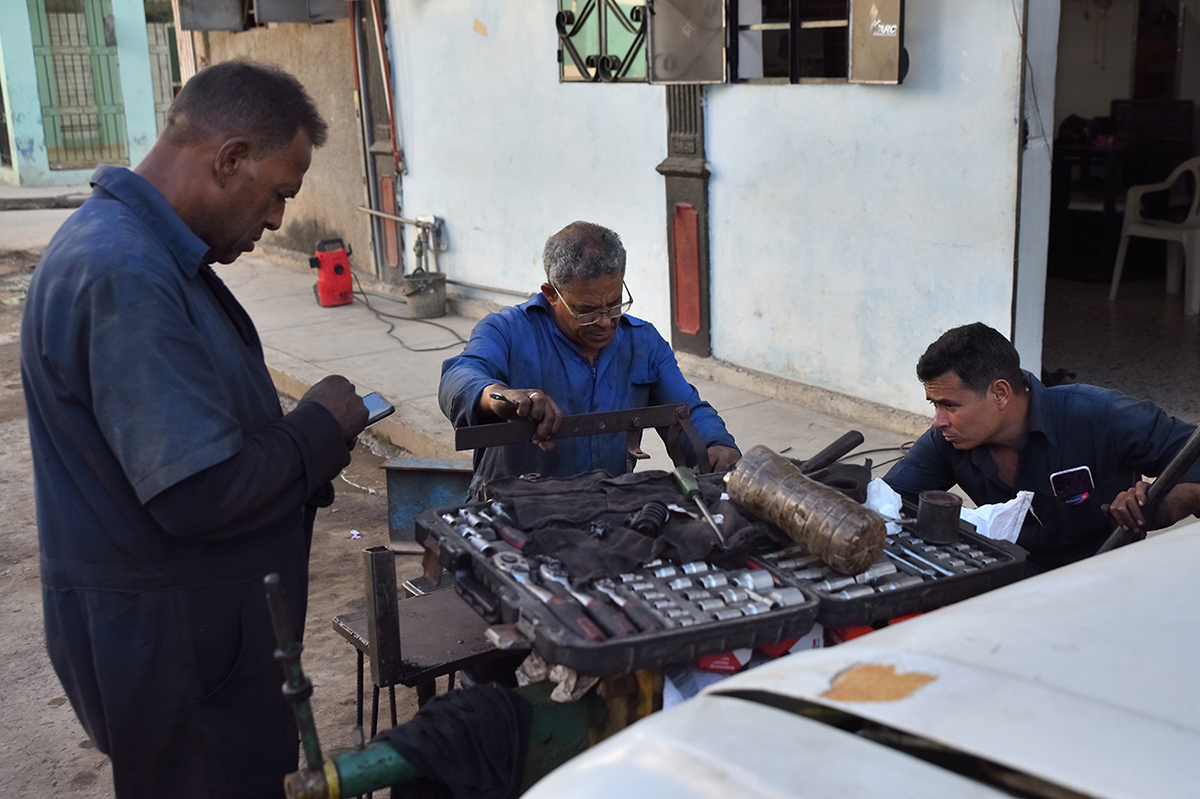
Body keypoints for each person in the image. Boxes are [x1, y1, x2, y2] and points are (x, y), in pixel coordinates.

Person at [20, 61, 369, 799]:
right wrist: (318, 428)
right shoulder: (124, 271)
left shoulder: (148, 256)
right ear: (231, 158)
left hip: (195, 642)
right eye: (278, 194)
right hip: (178, 655)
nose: (278, 219)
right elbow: (199, 490)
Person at [439, 221, 740, 498]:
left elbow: (685, 408)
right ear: (551, 294)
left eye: (614, 305)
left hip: (603, 508)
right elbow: (460, 377)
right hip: (512, 510)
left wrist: (716, 444)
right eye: (587, 311)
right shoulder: (507, 331)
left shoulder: (642, 343)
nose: (605, 322)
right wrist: (500, 397)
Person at [883, 322, 1200, 570]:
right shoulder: (946, 442)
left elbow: (1194, 456)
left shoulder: (1098, 415)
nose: (939, 421)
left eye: (950, 405)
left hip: (1110, 577)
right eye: (934, 405)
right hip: (1013, 579)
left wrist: (1168, 503)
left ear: (1000, 394)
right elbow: (887, 504)